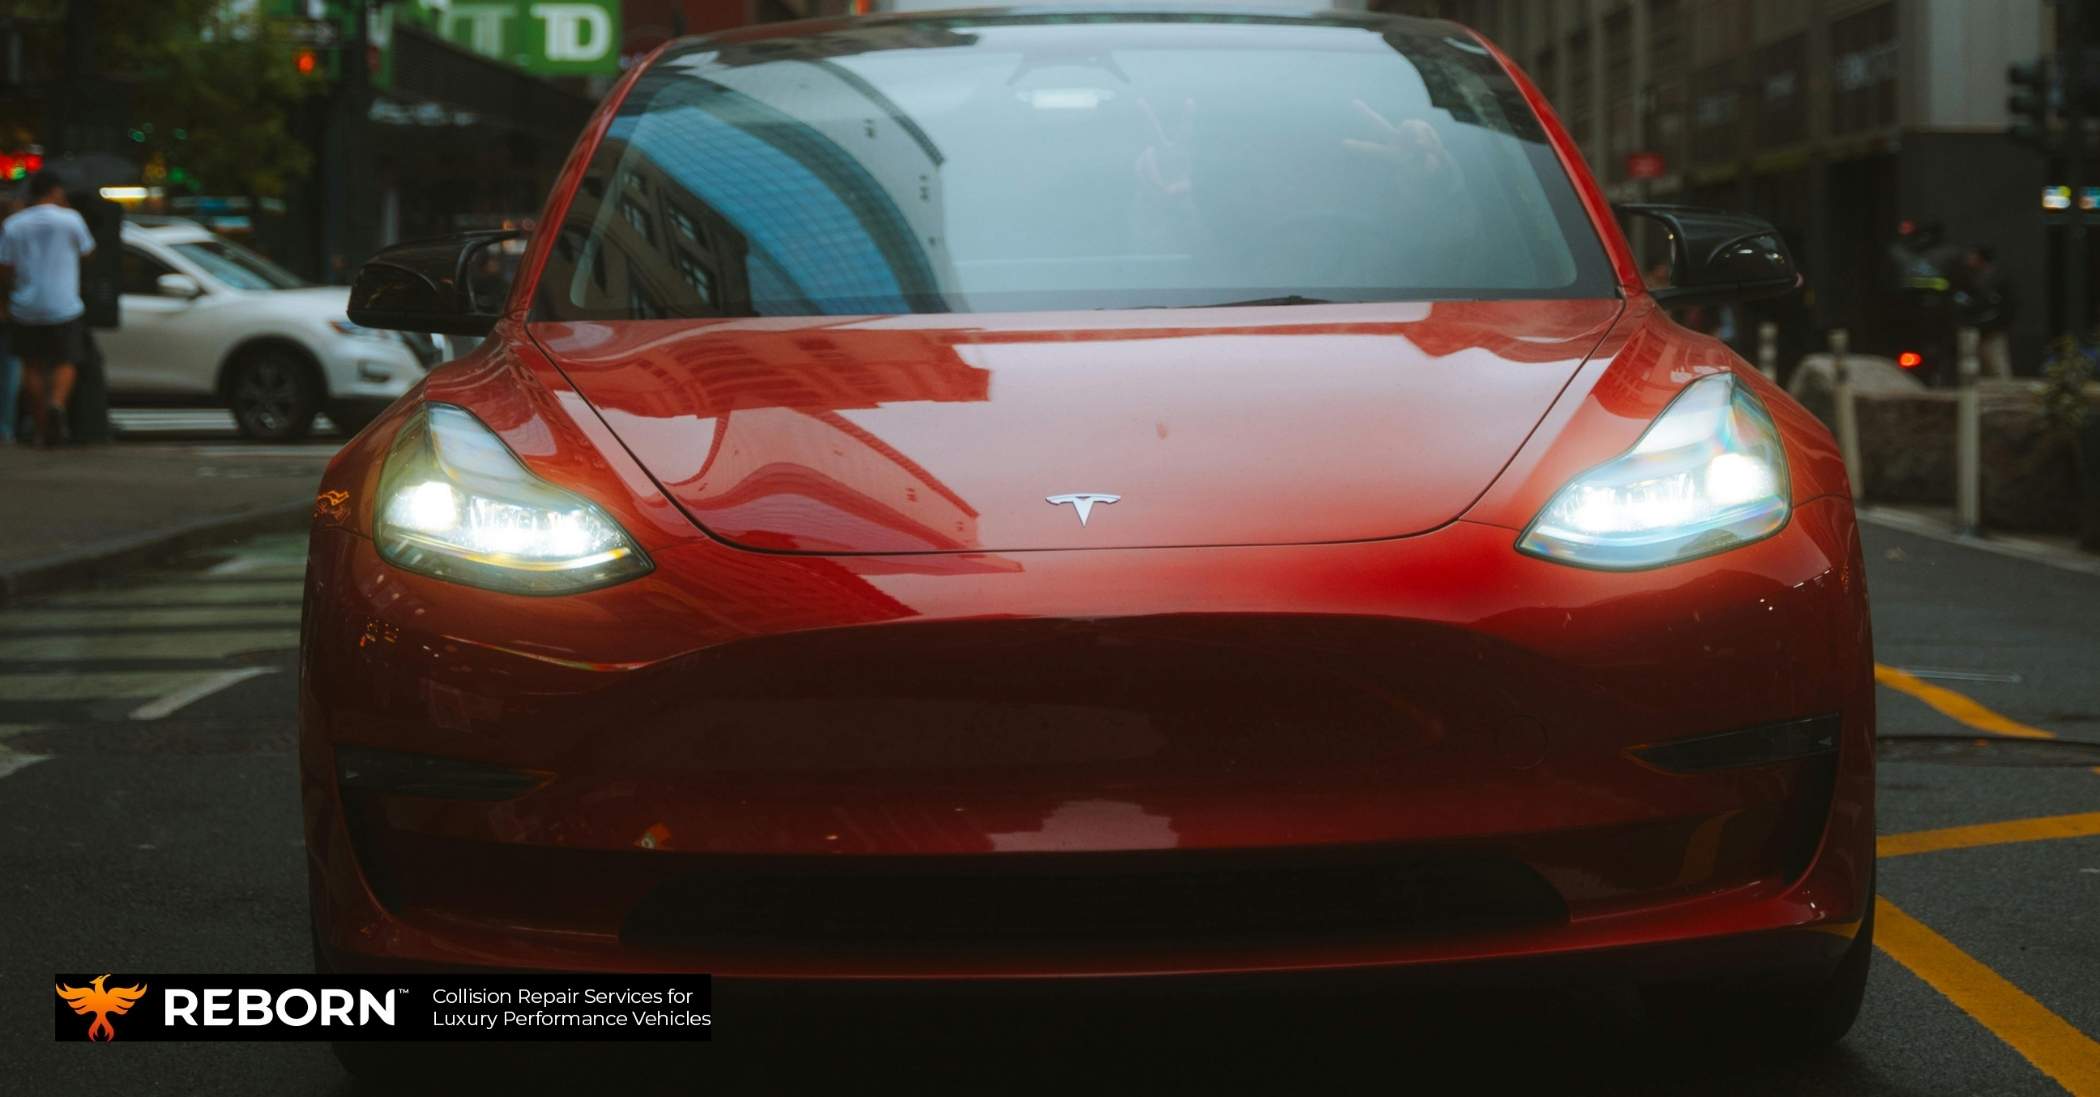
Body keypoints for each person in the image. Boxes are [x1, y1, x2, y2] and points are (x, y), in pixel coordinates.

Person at [0, 172, 97, 446]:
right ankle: (57, 404)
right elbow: (88, 251)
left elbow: (4, 266)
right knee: (66, 361)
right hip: (64, 305)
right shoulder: (71, 219)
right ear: (56, 191)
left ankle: (42, 427)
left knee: (31, 365)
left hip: (26, 306)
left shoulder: (14, 224)